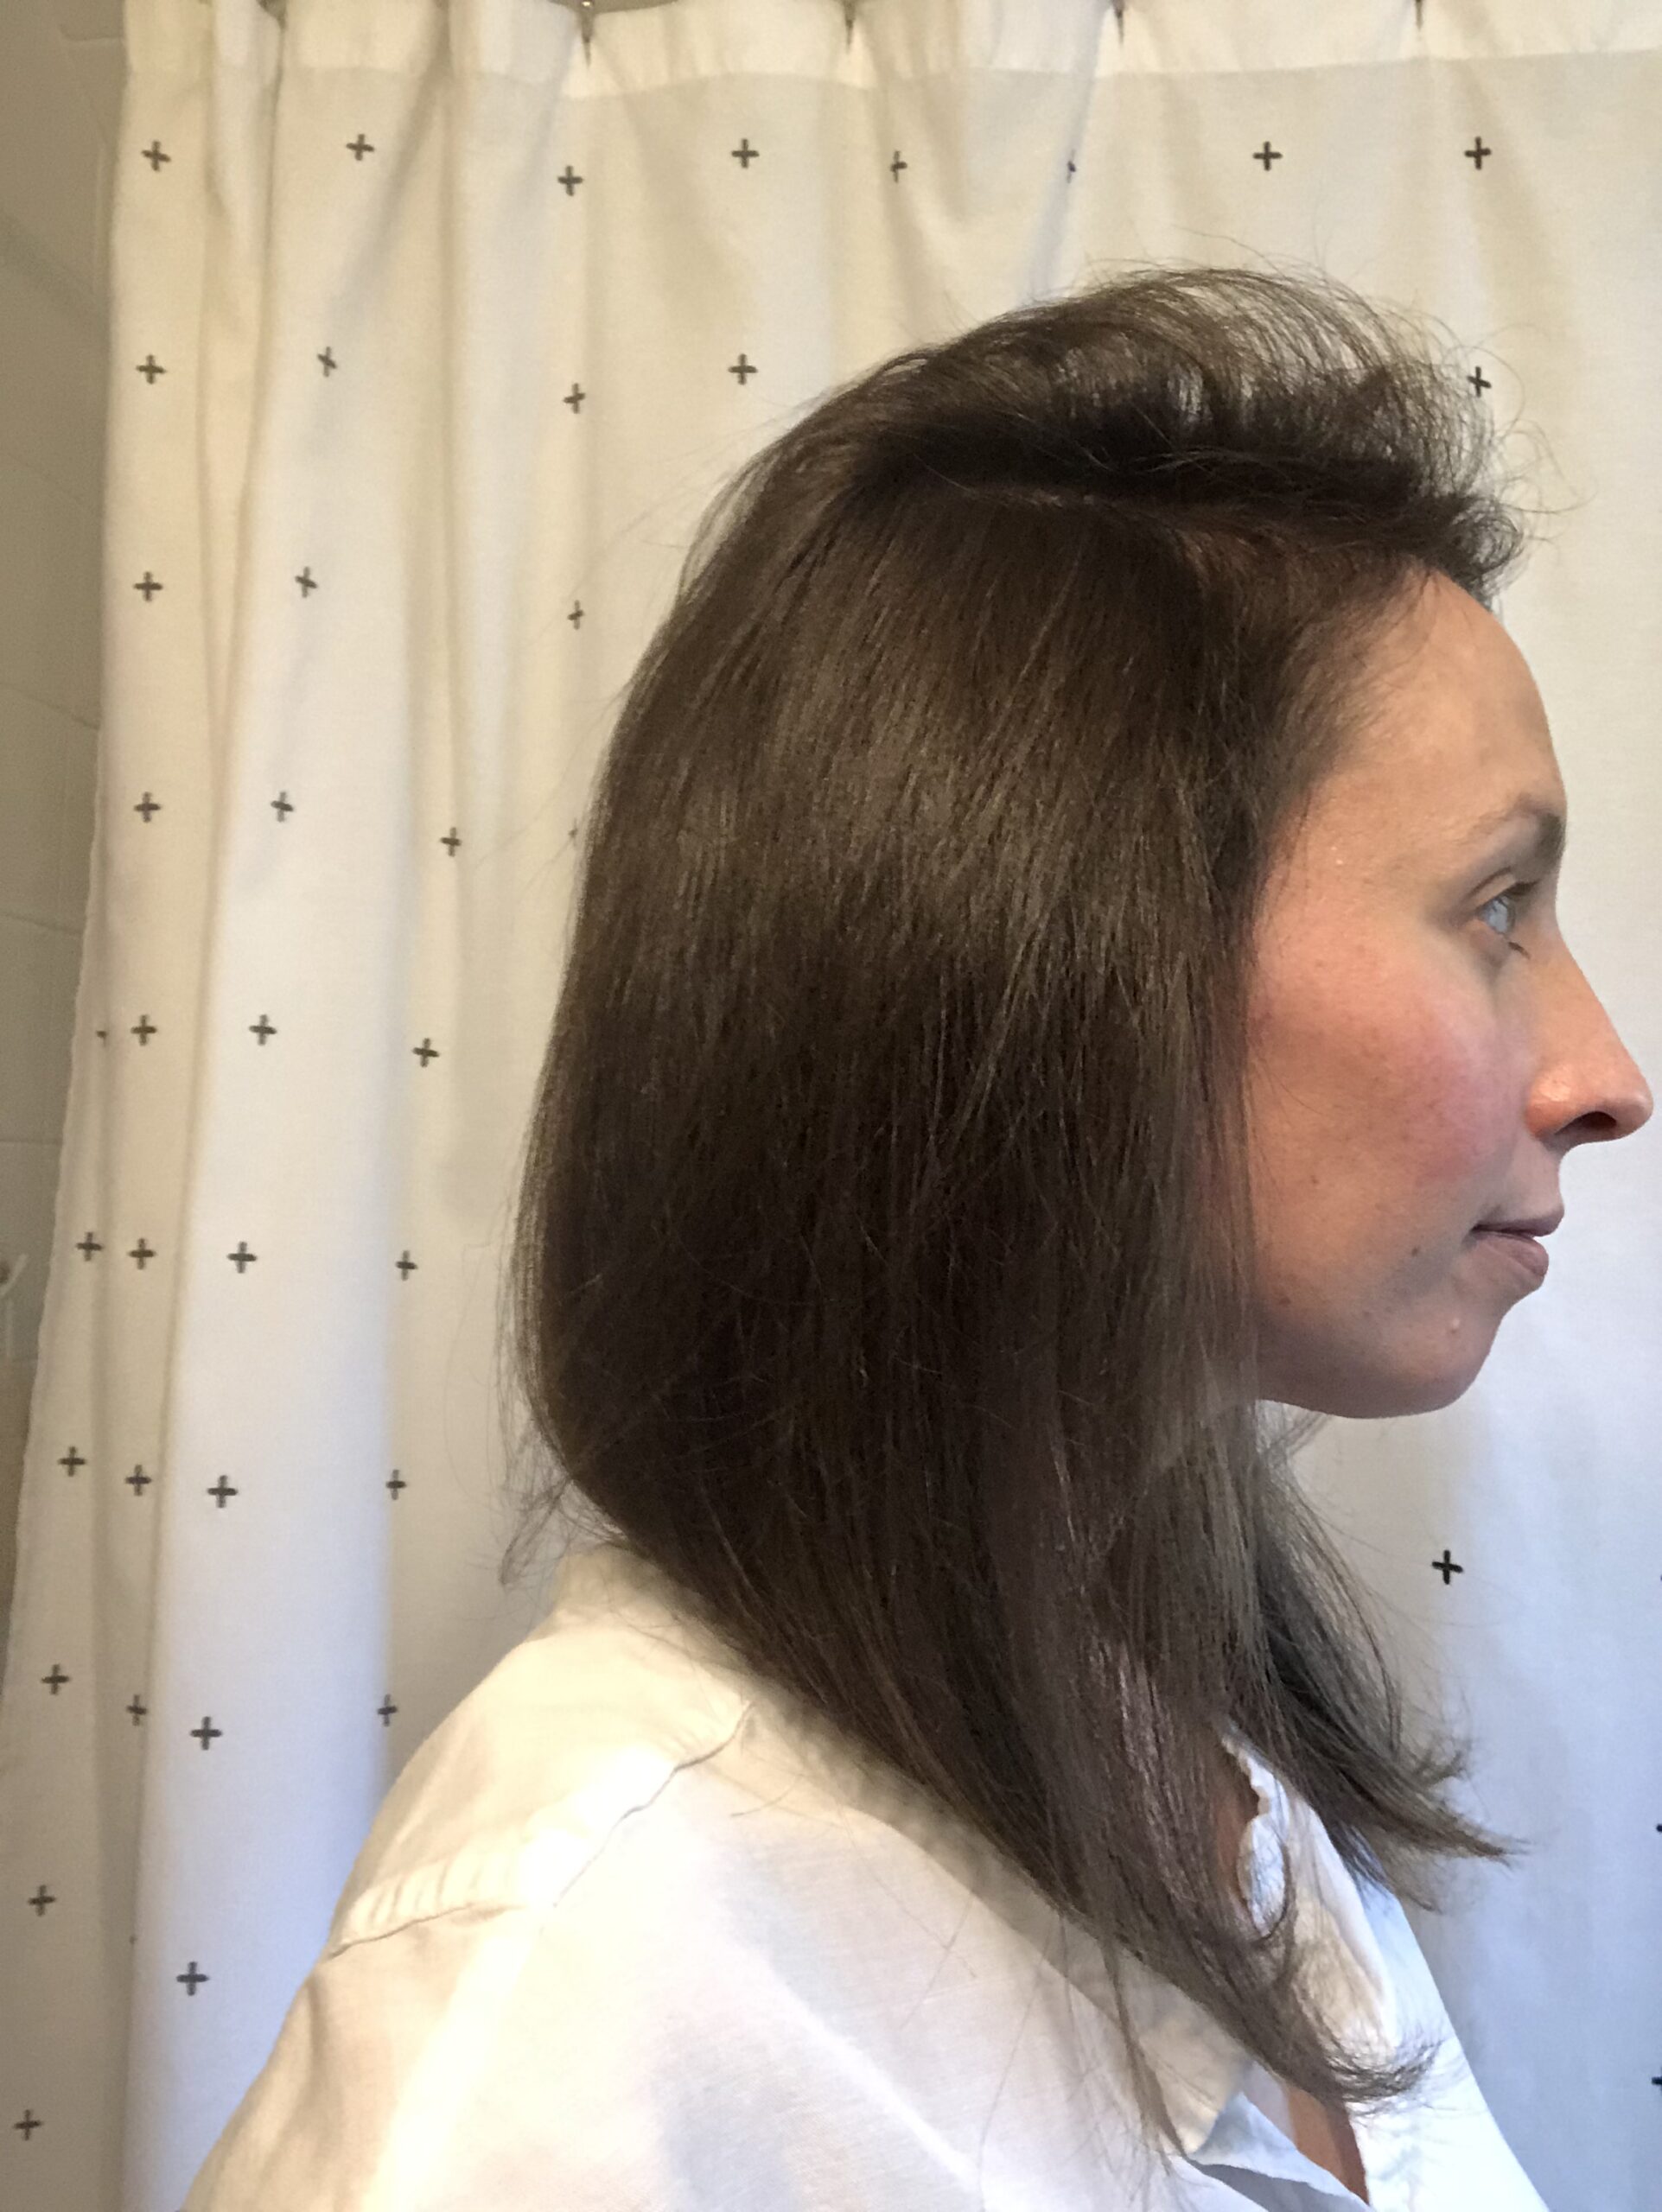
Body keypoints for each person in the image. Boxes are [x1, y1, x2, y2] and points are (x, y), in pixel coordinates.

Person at [184, 262, 1651, 2209]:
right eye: (1494, 907)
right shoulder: (557, 2007)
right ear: (1068, 962)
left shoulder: (1194, 1765)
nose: (1604, 1074)